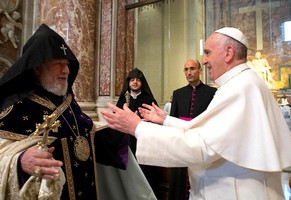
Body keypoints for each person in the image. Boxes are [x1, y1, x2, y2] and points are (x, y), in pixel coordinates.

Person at [100, 27, 291, 199]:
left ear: (228, 52)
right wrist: (167, 120)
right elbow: (207, 133)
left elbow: (203, 146)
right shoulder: (240, 84)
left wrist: (138, 127)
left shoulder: (241, 88)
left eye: (207, 53)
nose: (205, 60)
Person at [0, 24, 155, 200]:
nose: (66, 70)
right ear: (37, 68)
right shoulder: (14, 108)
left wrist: (122, 128)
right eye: (58, 64)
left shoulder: (67, 101)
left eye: (66, 64)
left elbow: (85, 132)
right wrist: (19, 161)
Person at [168, 59, 217, 200]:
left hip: (202, 144)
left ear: (200, 71)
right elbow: (172, 120)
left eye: (192, 69)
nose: (189, 72)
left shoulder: (212, 93)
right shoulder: (178, 93)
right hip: (182, 143)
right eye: (186, 69)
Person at [116, 68, 164, 199]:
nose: (135, 82)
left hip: (144, 143)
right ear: (128, 82)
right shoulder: (122, 102)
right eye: (132, 80)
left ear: (142, 82)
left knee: (146, 175)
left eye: (138, 80)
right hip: (125, 144)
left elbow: (157, 123)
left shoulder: (149, 100)